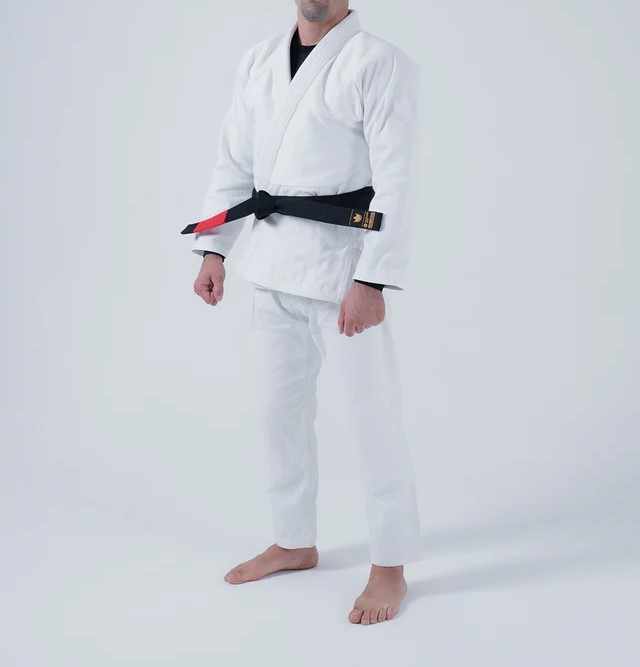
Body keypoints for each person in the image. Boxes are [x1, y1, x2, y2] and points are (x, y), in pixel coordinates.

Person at [190, 1, 421, 625]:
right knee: (278, 413)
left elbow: (397, 179)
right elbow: (234, 161)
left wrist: (372, 278)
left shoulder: (378, 62)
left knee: (372, 417)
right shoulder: (258, 61)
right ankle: (294, 541)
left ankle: (390, 563)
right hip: (270, 262)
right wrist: (215, 249)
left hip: (343, 266)